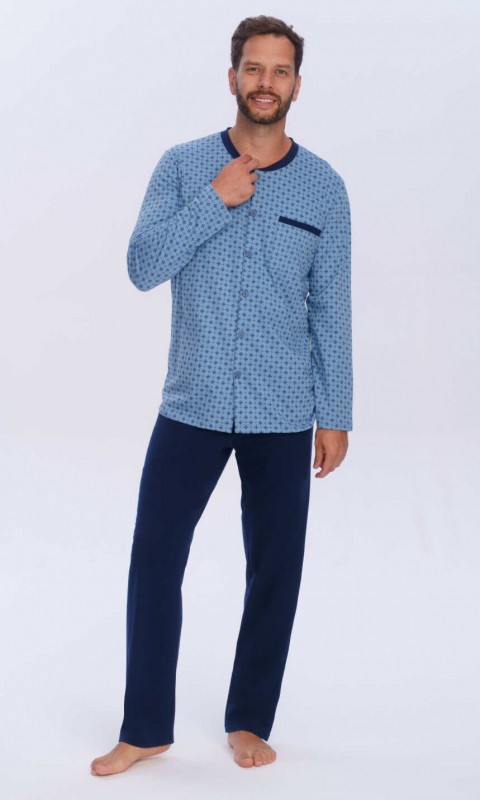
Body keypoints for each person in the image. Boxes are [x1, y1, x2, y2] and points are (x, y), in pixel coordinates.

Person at [91, 13, 352, 776]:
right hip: (192, 404)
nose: (266, 82)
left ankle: (249, 720)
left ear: (296, 85)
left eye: (280, 70)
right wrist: (214, 199)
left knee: (274, 570)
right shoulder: (182, 167)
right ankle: (145, 727)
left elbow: (331, 307)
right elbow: (142, 266)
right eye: (254, 68)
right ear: (232, 76)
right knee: (154, 559)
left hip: (283, 410)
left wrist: (336, 414)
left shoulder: (326, 188)